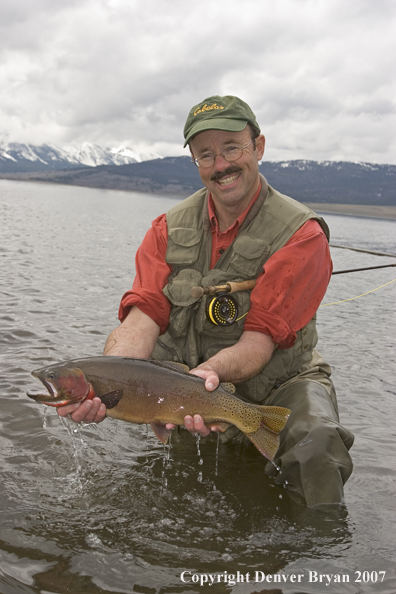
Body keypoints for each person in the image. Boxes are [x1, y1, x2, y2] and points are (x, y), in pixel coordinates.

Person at [58, 95, 354, 506]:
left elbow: (259, 343)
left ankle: (323, 560)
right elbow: (142, 319)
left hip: (278, 383)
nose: (221, 165)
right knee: (183, 490)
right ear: (195, 163)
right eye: (205, 155)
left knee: (317, 446)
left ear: (259, 147)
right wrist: (108, 380)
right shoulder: (166, 228)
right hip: (187, 392)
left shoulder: (301, 235)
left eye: (232, 148)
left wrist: (207, 379)